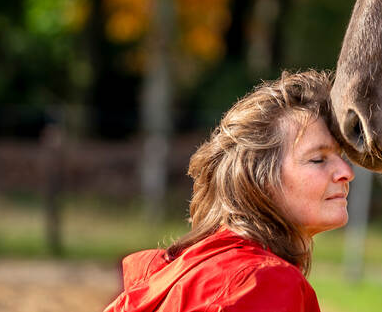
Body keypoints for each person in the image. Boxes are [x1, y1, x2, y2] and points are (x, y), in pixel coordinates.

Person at [104, 70, 353, 312]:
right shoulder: (260, 282)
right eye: (318, 159)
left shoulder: (201, 274)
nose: (346, 172)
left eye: (340, 156)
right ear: (259, 178)